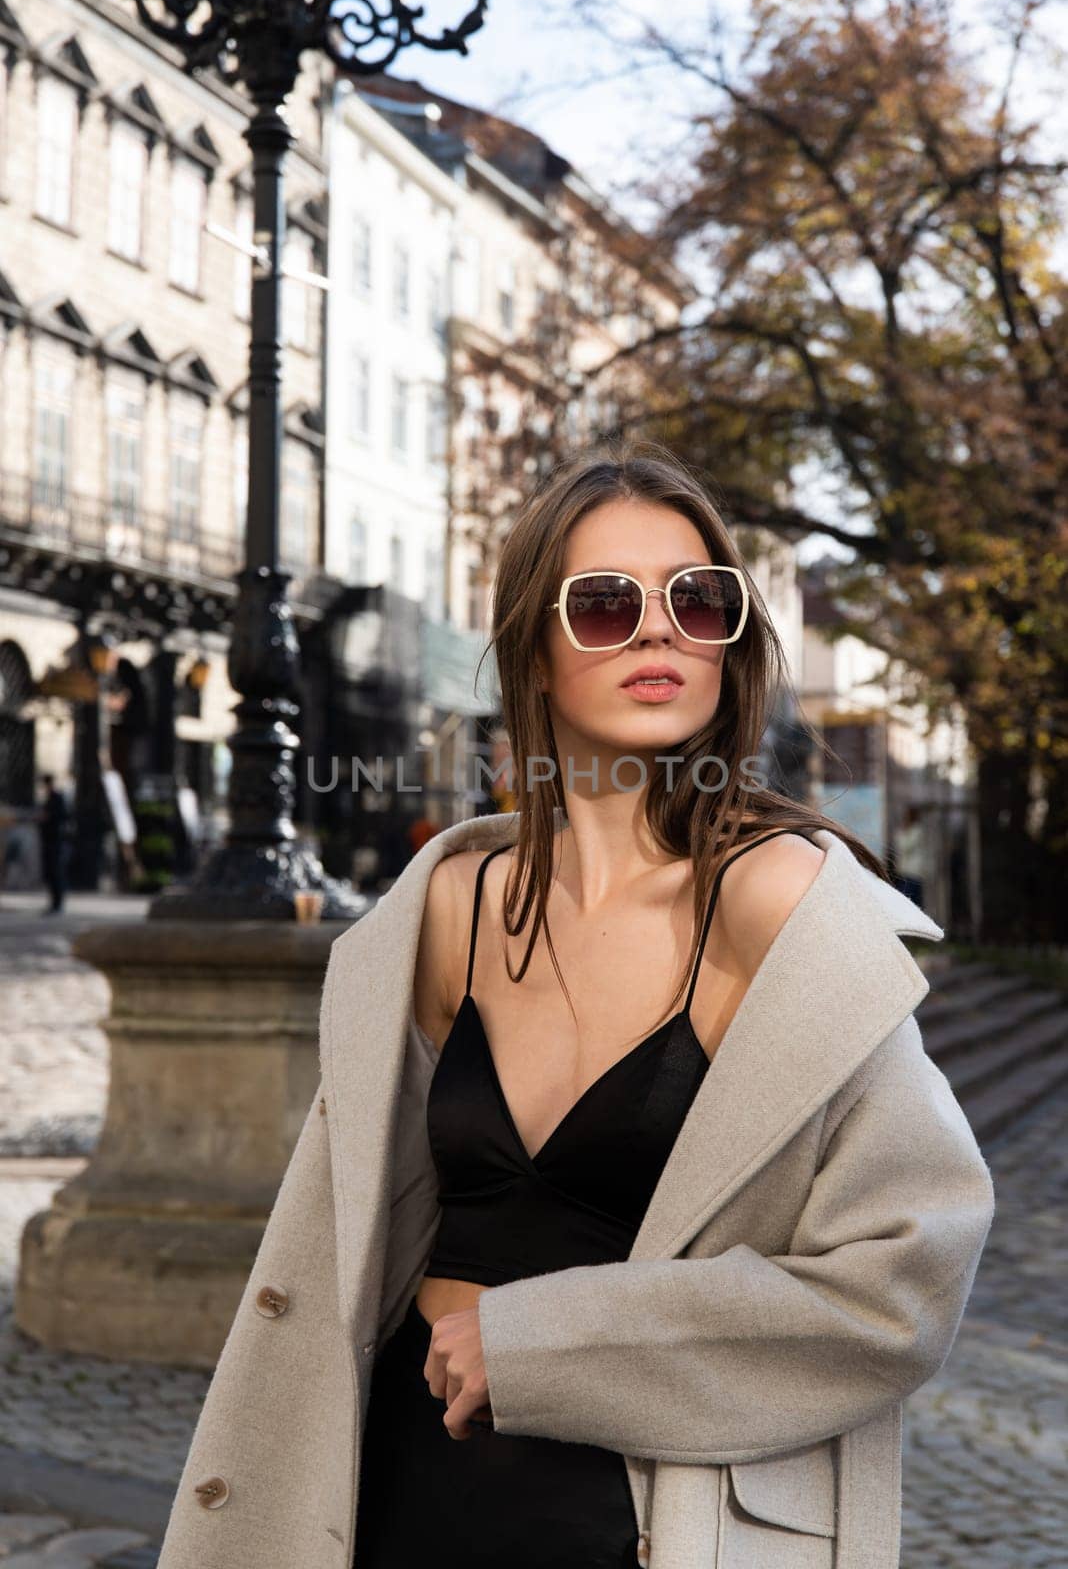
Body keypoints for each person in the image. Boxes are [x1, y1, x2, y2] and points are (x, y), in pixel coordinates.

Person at [155, 445, 995, 1569]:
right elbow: (353, 1238)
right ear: (534, 654)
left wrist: (540, 1343)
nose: (660, 631)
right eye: (604, 605)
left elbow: (903, 1273)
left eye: (699, 601)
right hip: (402, 1489)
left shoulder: (776, 904)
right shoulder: (449, 903)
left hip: (647, 1514)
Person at [37, 773, 72, 915]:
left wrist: (48, 818)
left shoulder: (57, 798)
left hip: (56, 840)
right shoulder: (50, 799)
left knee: (56, 872)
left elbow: (63, 816)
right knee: (51, 873)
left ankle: (58, 903)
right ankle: (54, 903)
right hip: (49, 840)